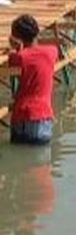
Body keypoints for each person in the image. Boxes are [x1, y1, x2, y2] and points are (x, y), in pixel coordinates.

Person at [7, 14, 58, 145]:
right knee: (40, 161)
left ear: (17, 38)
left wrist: (18, 49)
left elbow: (14, 62)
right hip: (42, 116)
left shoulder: (19, 57)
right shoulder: (52, 52)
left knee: (18, 158)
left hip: (21, 114)